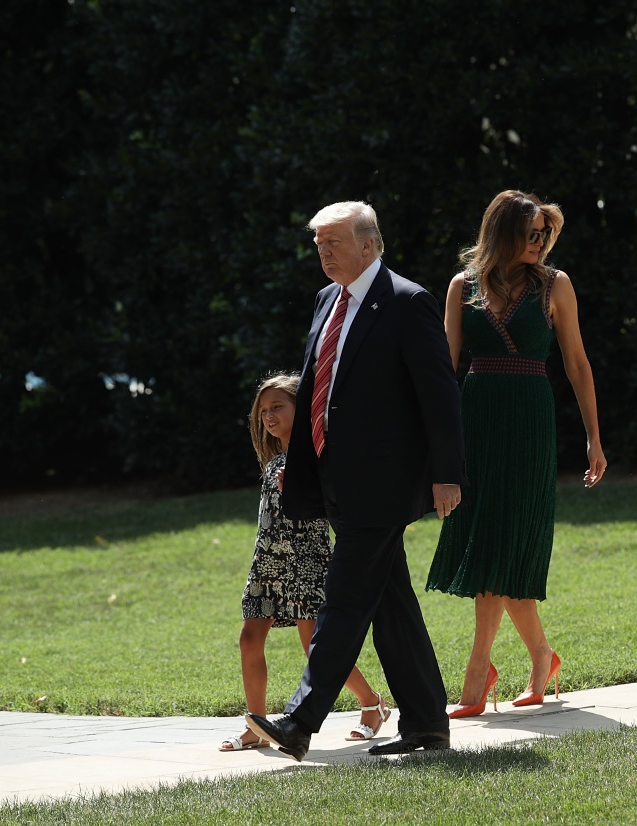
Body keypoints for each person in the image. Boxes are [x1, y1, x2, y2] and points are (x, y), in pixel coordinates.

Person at [245, 201, 467, 760]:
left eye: (334, 243)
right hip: (335, 478)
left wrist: (447, 475)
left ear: (369, 245)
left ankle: (299, 721)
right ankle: (426, 725)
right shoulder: (326, 301)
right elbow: (320, 387)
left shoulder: (406, 301)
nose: (324, 253)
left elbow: (439, 396)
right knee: (391, 604)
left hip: (385, 482)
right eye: (318, 244)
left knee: (342, 599)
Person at [425, 190, 606, 718]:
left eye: (545, 235)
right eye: (531, 234)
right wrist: (434, 443)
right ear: (502, 233)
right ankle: (542, 658)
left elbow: (576, 361)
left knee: (503, 541)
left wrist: (594, 437)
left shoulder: (556, 284)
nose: (540, 243)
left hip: (530, 420)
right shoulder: (463, 286)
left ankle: (477, 675)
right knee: (492, 544)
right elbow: (444, 369)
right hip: (476, 418)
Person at [220, 373, 389, 751]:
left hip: (307, 560)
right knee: (249, 639)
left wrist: (302, 480)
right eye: (263, 410)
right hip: (266, 564)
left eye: (278, 406)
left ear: (303, 408)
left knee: (316, 646)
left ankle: (371, 703)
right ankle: (256, 725)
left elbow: (331, 503)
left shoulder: (316, 455)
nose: (268, 415)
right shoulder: (274, 462)